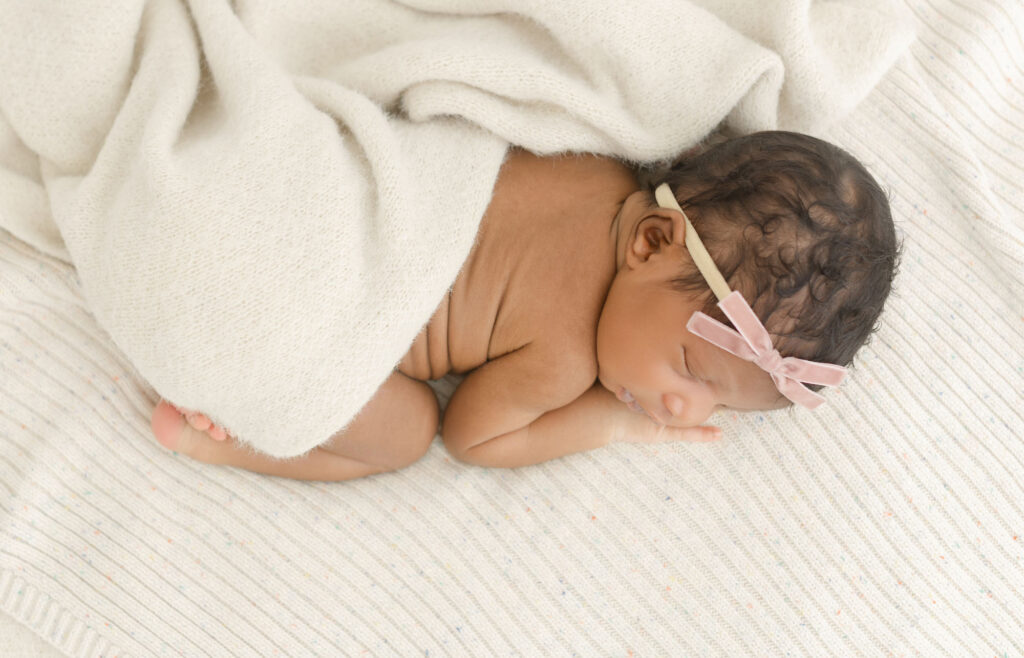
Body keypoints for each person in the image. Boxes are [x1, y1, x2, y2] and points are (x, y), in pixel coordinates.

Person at [150, 131, 900, 480]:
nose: (680, 408)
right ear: (650, 243)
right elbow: (475, 438)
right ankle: (225, 436)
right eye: (690, 367)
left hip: (273, 190)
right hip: (284, 305)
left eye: (716, 406)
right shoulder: (567, 357)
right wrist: (606, 422)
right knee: (406, 433)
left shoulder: (586, 154)